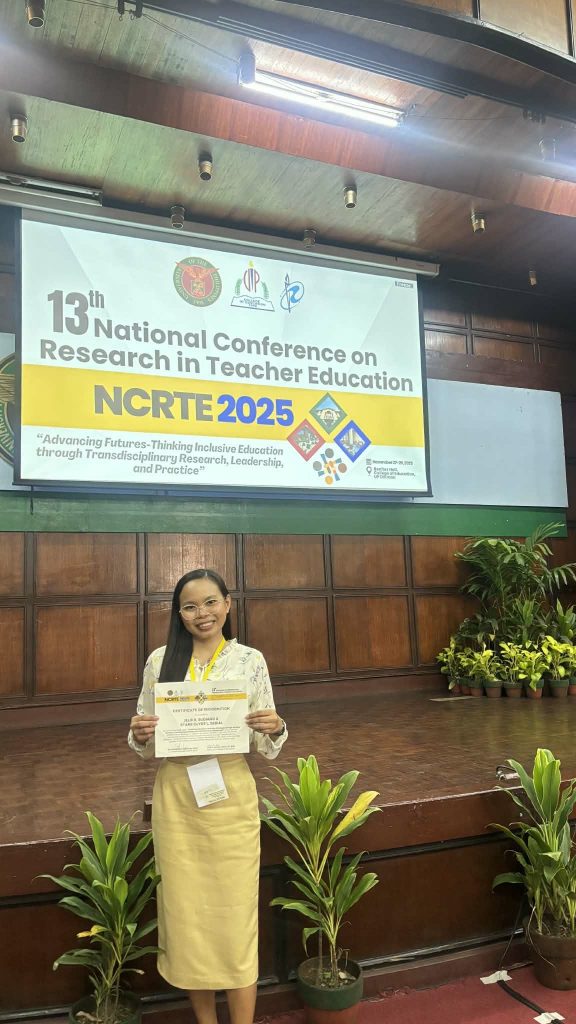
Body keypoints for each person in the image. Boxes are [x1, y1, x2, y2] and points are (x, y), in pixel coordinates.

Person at [128, 568, 288, 1024]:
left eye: (211, 602)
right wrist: (139, 733)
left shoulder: (249, 661)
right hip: (178, 798)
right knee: (188, 922)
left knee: (236, 920)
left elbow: (267, 743)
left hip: (230, 794)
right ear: (178, 614)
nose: (203, 613)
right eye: (190, 606)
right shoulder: (161, 661)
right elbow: (143, 742)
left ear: (228, 604)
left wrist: (275, 726)